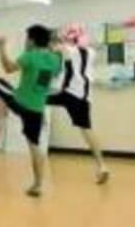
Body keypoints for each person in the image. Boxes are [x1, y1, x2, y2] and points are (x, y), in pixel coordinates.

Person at [0, 25, 63, 198]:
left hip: (20, 103)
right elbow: (47, 78)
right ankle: (38, 185)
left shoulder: (30, 56)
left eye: (27, 39)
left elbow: (8, 68)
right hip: (37, 109)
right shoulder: (54, 60)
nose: (25, 42)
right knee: (35, 146)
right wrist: (52, 49)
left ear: (32, 40)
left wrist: (1, 47)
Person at [47, 24, 109, 184]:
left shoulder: (68, 50)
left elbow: (56, 51)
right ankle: (102, 166)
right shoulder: (92, 52)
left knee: (37, 99)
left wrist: (56, 44)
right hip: (84, 98)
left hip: (70, 94)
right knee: (87, 130)